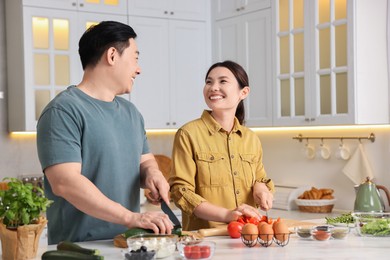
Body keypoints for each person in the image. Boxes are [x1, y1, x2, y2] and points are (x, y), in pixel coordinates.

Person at [36, 21, 173, 244]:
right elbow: (65, 182)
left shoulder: (131, 113)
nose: (138, 69)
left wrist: (153, 176)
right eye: (135, 58)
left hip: (127, 244)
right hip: (79, 250)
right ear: (112, 55)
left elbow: (145, 162)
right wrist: (131, 217)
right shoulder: (62, 111)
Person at [169, 60, 275, 231]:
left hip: (248, 235)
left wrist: (261, 189)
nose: (213, 87)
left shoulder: (251, 139)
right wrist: (228, 215)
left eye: (222, 81)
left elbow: (259, 178)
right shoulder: (188, 134)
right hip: (205, 239)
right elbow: (181, 192)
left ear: (244, 92)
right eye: (209, 82)